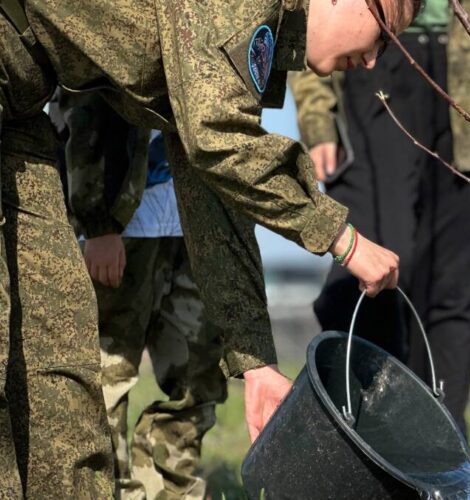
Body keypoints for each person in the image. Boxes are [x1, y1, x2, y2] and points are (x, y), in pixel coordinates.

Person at [0, 0, 416, 494]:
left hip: (19, 113)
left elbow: (212, 189)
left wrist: (257, 363)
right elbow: (216, 137)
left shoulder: (257, 33)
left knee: (59, 369)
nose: (372, 61)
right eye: (383, 33)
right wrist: (342, 239)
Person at [291, 0, 470, 433]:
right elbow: (319, 13)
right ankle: (362, 433)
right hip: (372, 64)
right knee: (369, 271)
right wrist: (317, 114)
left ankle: (438, 443)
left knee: (456, 285)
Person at [61, 91, 227, 499]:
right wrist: (98, 223)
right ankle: (106, 492)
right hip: (123, 225)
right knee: (105, 380)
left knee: (198, 378)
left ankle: (169, 491)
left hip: (197, 221)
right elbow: (87, 96)